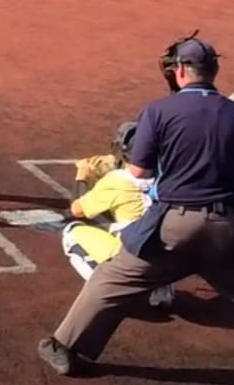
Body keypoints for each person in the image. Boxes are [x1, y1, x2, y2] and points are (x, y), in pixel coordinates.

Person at [38, 35, 234, 385]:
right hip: (228, 228)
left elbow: (139, 171)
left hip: (173, 229)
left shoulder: (158, 111)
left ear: (179, 70)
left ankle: (65, 348)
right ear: (214, 71)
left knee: (110, 280)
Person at [62, 121, 173, 309]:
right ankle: (157, 283)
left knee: (72, 231)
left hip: (134, 251)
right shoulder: (169, 178)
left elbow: (77, 210)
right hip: (168, 253)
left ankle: (110, 288)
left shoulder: (116, 181)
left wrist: (83, 174)